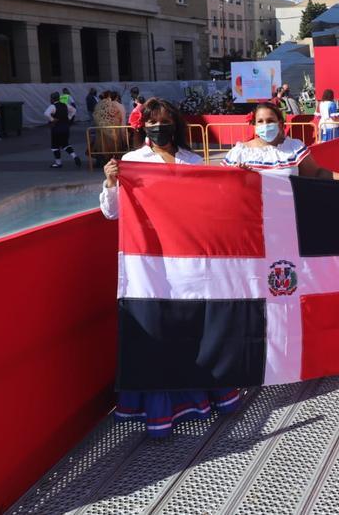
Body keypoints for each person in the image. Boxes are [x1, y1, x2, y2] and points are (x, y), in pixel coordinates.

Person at [100, 98, 242, 437]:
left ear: (175, 124)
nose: (158, 127)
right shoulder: (132, 162)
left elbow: (209, 209)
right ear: (143, 127)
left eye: (164, 121)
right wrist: (110, 183)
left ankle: (203, 398)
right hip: (149, 262)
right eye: (151, 122)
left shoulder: (193, 161)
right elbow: (111, 213)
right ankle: (162, 411)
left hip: (189, 261)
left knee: (193, 325)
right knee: (156, 332)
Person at [224, 102, 339, 180]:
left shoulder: (294, 148)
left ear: (280, 123)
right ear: (254, 125)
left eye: (270, 120)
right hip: (252, 221)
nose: (265, 125)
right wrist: (236, 175)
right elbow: (221, 184)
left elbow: (317, 173)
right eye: (260, 121)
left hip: (288, 218)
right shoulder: (239, 153)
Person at [46, 91, 80, 168]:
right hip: (65, 128)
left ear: (52, 99)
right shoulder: (65, 105)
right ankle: (74, 156)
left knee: (55, 146)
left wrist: (52, 119)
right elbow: (74, 110)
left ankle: (58, 163)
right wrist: (69, 117)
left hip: (56, 129)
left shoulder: (52, 106)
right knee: (65, 144)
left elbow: (46, 113)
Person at [93, 91, 126, 167]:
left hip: (102, 130)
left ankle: (105, 160)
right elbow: (118, 116)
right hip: (113, 130)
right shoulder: (113, 105)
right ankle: (113, 161)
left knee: (103, 146)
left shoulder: (100, 105)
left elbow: (95, 116)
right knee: (114, 147)